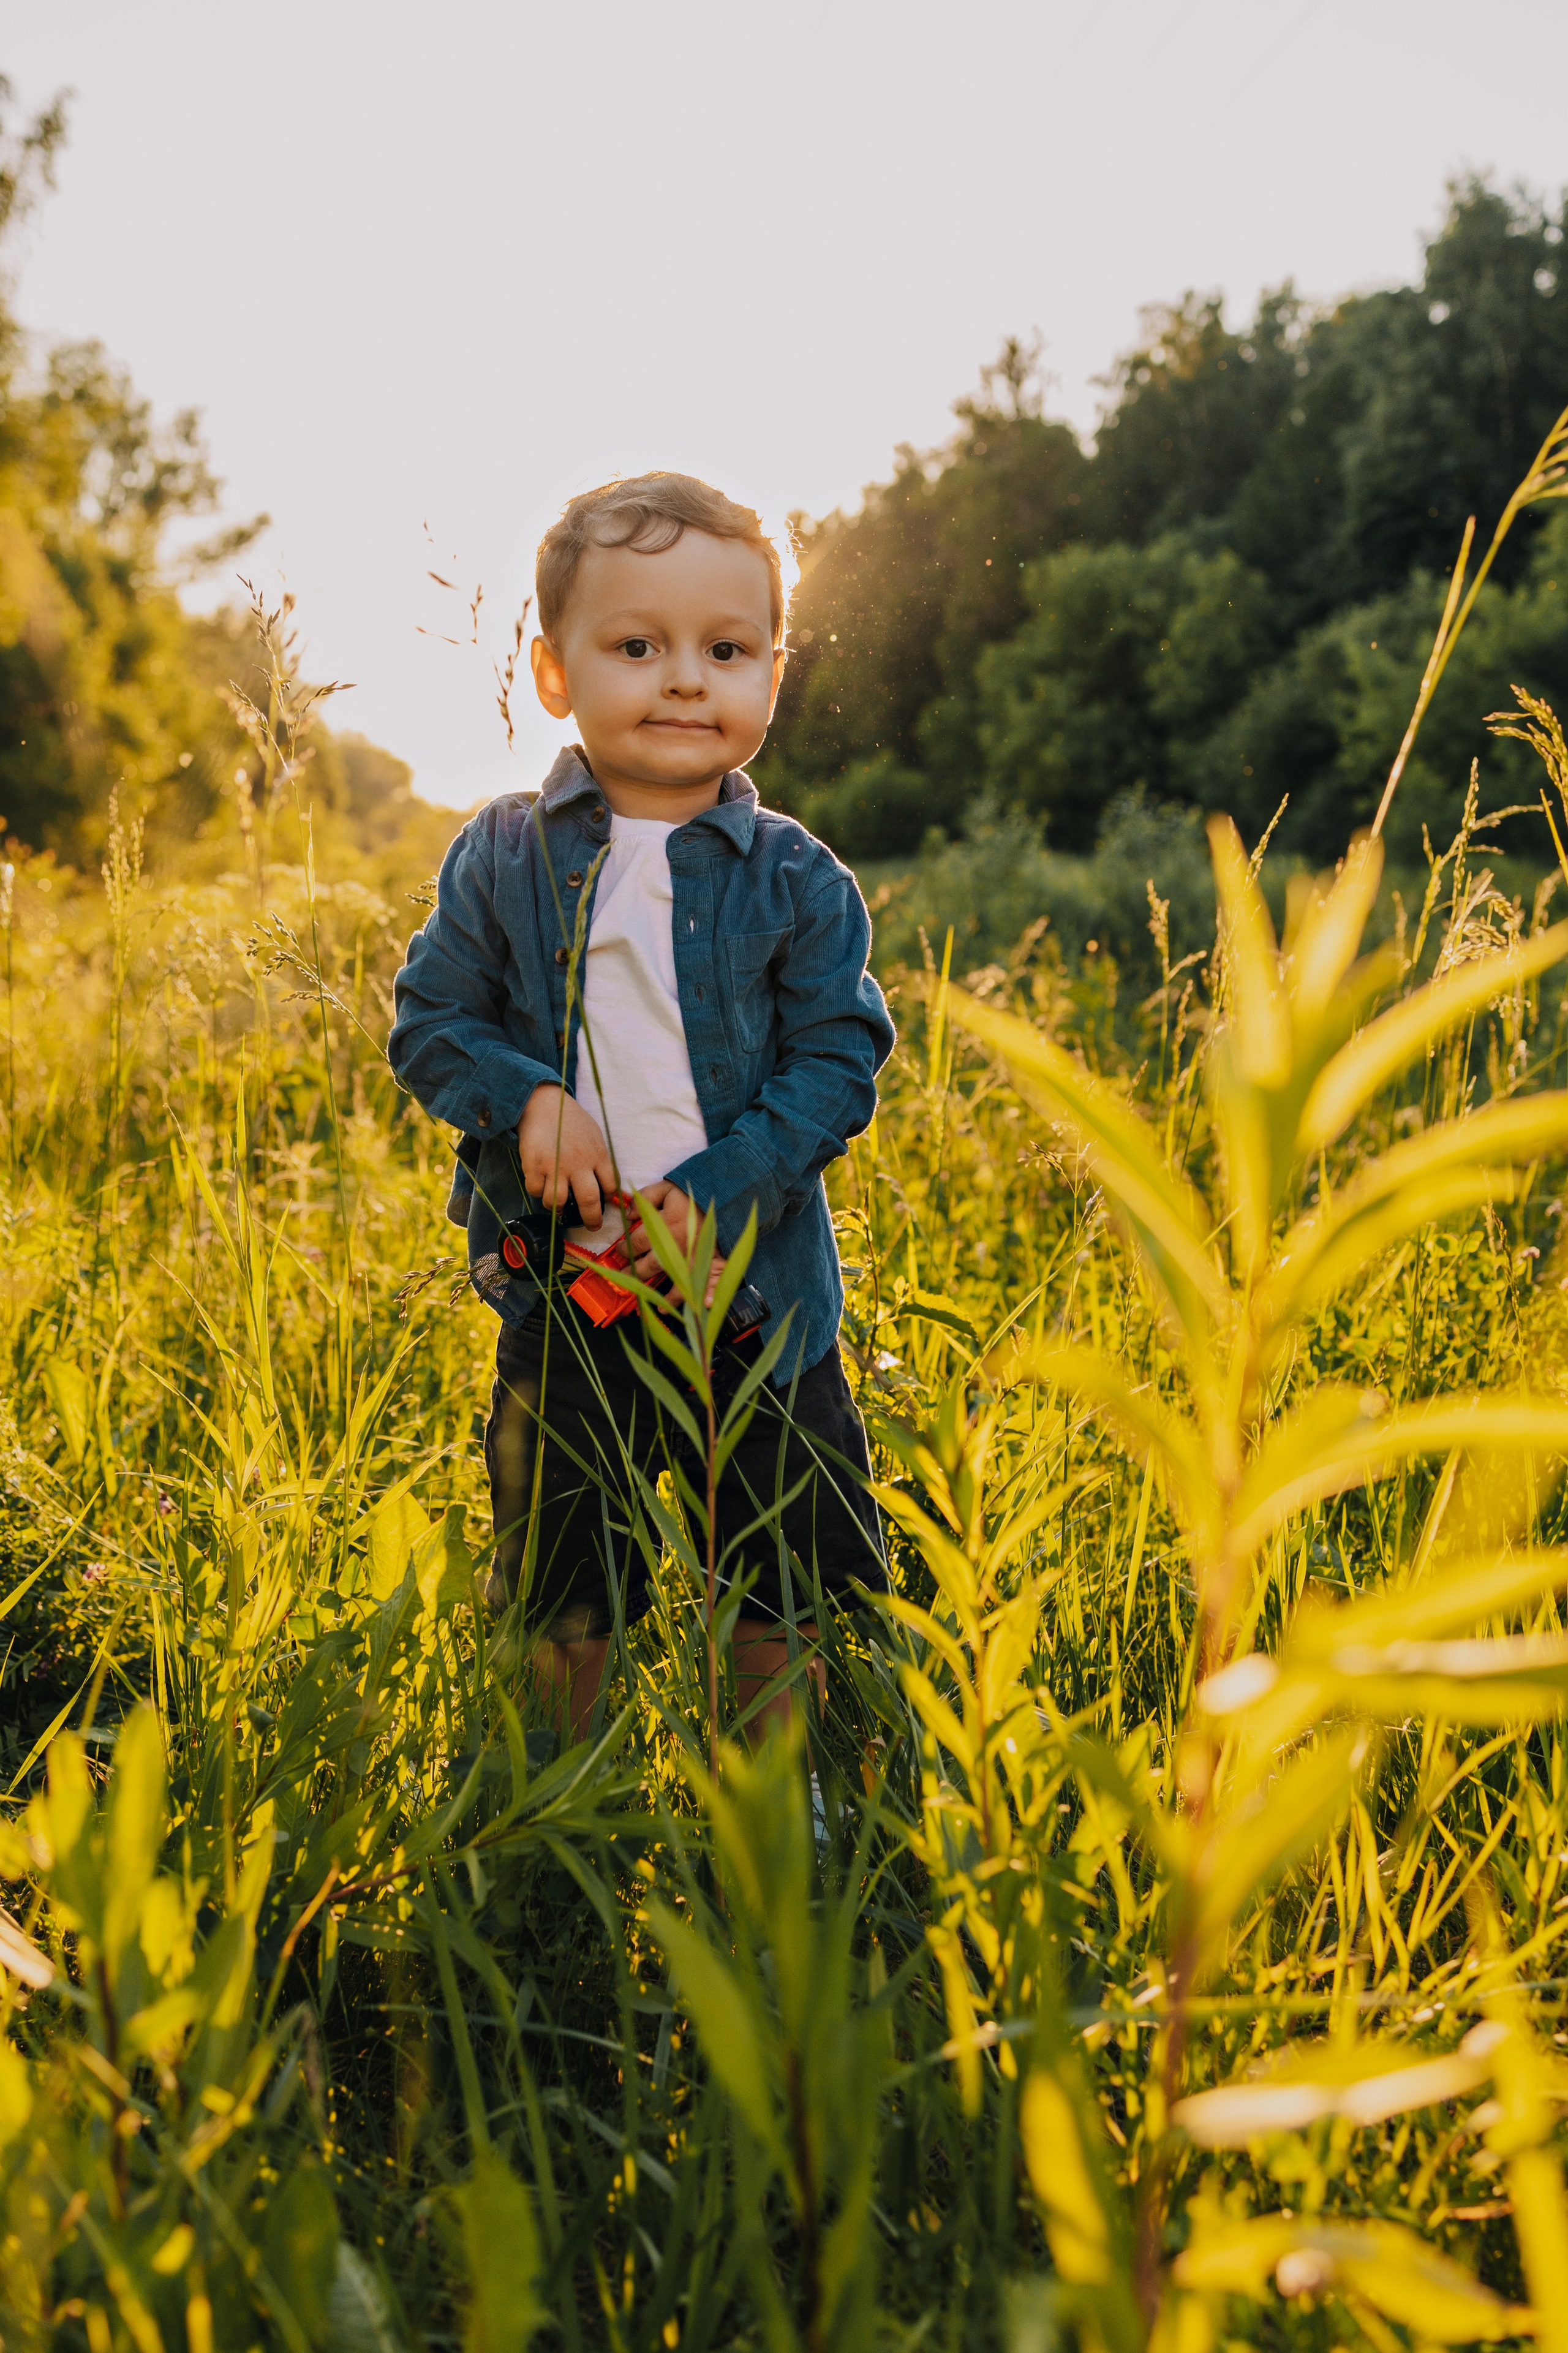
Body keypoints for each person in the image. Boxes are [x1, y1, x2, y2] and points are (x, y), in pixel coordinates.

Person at [388, 472, 894, 1740]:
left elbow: (839, 1058)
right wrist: (528, 1097)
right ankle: (565, 1800)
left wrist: (722, 1186)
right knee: (564, 1590)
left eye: (725, 650)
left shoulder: (796, 879)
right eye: (636, 647)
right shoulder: (504, 854)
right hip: (570, 1299)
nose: (683, 680)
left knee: (778, 1583)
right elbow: (430, 1019)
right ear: (554, 672)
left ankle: (782, 1805)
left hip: (754, 1300)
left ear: (772, 672)